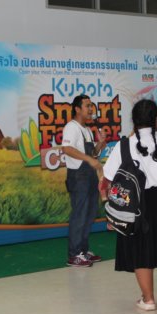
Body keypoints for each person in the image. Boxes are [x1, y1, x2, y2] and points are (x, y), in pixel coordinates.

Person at [102, 99, 157, 310]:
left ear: (133, 120)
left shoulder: (123, 145)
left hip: (136, 204)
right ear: (156, 119)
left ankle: (148, 300)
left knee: (141, 249)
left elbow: (109, 176)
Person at [62, 94, 107, 267]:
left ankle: (82, 250)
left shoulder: (87, 130)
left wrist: (100, 144)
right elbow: (67, 148)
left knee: (89, 214)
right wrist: (89, 159)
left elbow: (93, 154)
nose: (90, 109)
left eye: (91, 106)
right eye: (87, 106)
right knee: (79, 215)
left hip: (89, 176)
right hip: (78, 177)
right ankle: (74, 255)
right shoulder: (71, 127)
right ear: (77, 109)